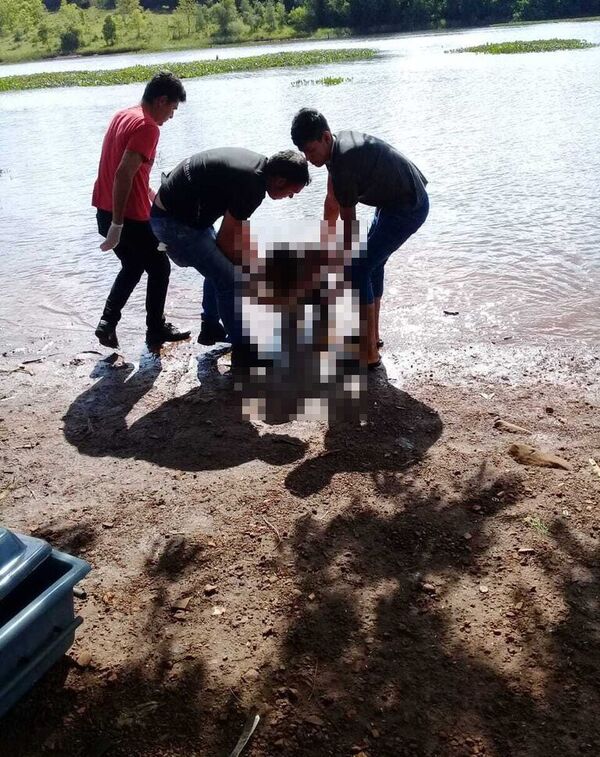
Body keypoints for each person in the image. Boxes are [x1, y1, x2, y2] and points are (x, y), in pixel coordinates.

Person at [291, 108, 429, 368]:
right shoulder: (335, 151)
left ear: (325, 137)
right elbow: (331, 203)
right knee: (369, 264)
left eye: (311, 151)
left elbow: (349, 225)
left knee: (359, 268)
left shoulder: (344, 162)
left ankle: (368, 354)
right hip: (394, 202)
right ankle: (372, 339)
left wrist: (342, 265)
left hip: (408, 206)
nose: (309, 159)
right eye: (304, 153)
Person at [149, 147, 310, 360]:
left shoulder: (256, 166)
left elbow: (234, 230)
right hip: (173, 223)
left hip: (181, 214)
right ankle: (243, 351)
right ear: (280, 180)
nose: (289, 197)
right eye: (292, 191)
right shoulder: (253, 186)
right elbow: (226, 241)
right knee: (230, 279)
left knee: (218, 267)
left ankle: (211, 327)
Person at [92, 70, 190, 350]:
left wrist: (151, 195)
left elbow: (132, 174)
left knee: (133, 265)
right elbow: (123, 173)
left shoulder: (123, 115)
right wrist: (119, 224)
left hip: (103, 208)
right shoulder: (148, 127)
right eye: (172, 108)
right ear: (161, 100)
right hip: (127, 217)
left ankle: (107, 323)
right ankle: (156, 330)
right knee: (160, 267)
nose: (171, 116)